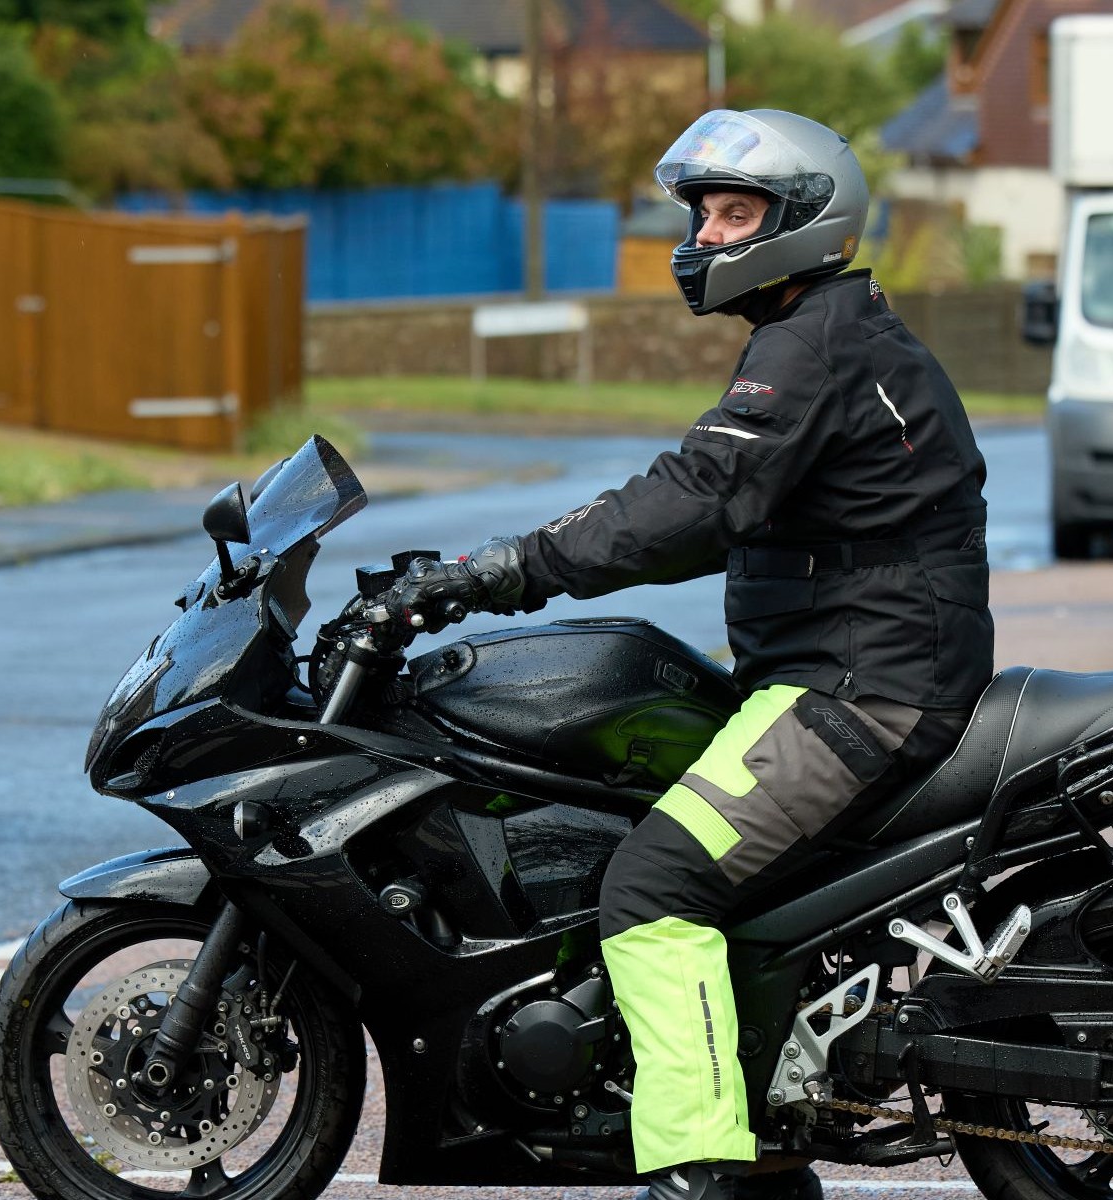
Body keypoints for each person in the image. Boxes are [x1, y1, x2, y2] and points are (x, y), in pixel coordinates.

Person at [376, 109, 993, 1200]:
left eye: (735, 211)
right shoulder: (829, 326)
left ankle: (702, 1168)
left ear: (804, 222)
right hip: (857, 672)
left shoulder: (809, 345)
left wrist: (506, 567)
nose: (706, 235)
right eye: (704, 211)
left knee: (654, 886)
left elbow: (695, 501)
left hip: (859, 694)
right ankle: (768, 1144)